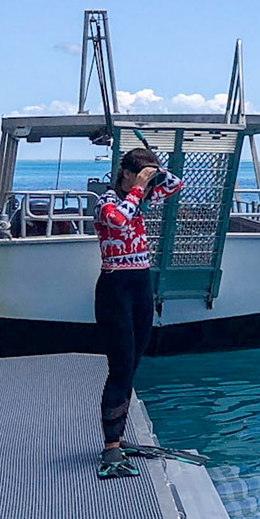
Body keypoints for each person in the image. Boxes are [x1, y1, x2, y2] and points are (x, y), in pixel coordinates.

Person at [93, 146, 185, 480]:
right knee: (119, 365)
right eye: (140, 176)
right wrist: (136, 187)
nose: (145, 187)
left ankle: (118, 435)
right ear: (126, 174)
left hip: (140, 284)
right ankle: (110, 448)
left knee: (133, 362)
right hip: (115, 287)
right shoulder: (106, 202)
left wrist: (154, 175)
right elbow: (118, 223)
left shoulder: (139, 195)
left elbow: (177, 185)